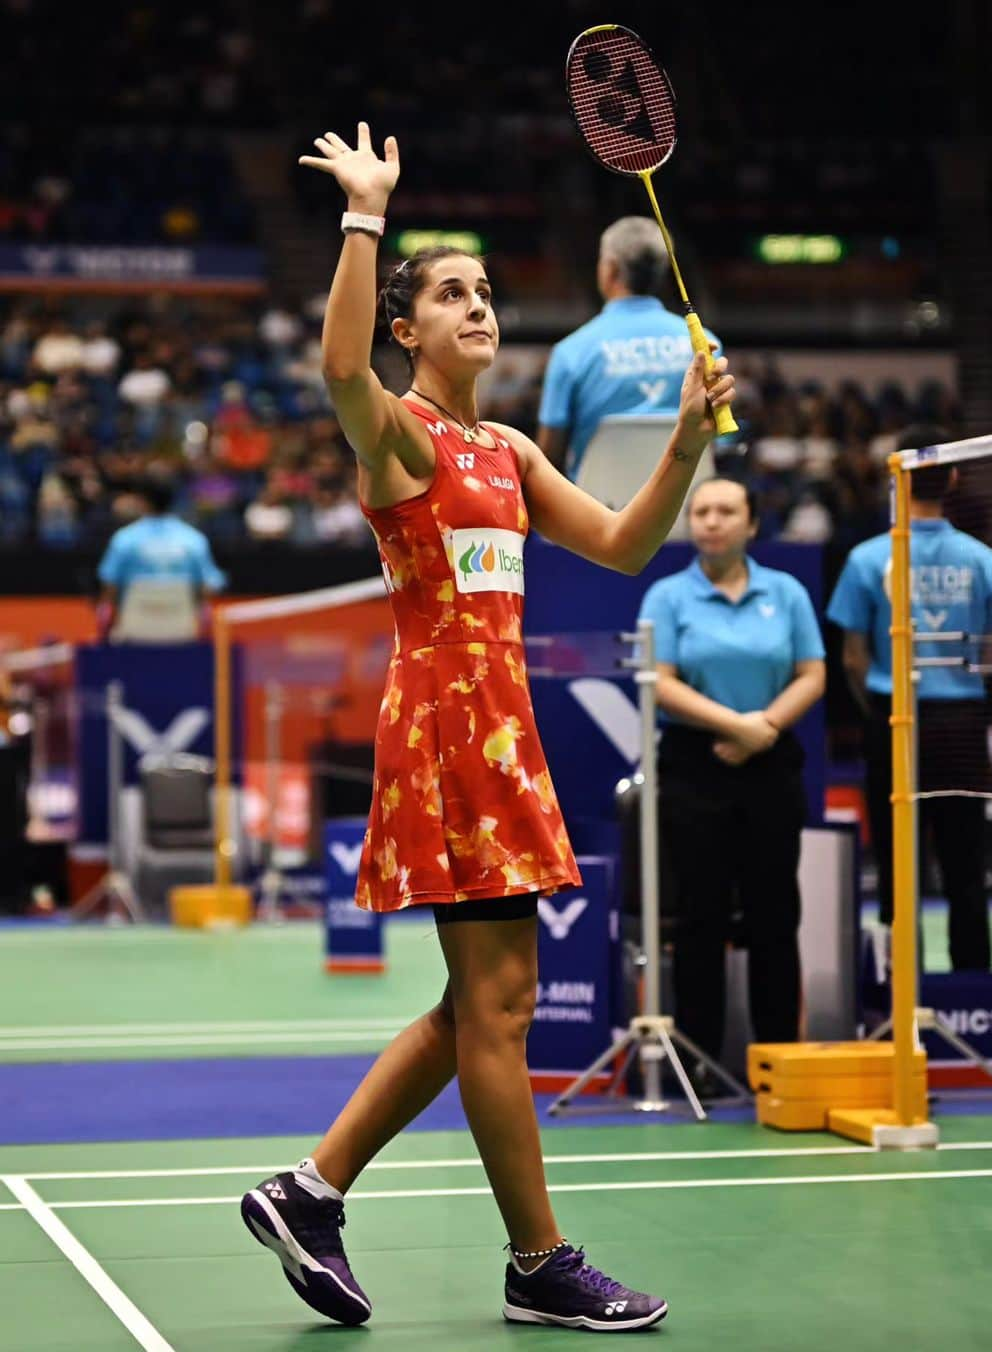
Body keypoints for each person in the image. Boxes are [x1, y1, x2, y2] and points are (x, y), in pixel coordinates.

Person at [239, 122, 735, 1333]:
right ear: (411, 328)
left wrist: (684, 438)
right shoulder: (400, 435)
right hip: (450, 727)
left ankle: (311, 1190)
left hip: (502, 730)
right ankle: (537, 1259)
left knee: (479, 1005)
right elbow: (341, 371)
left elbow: (621, 545)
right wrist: (367, 219)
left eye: (486, 292)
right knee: (501, 1006)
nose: (479, 307)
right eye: (451, 293)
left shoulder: (507, 451)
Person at [637, 477, 825, 1089]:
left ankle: (779, 1063)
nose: (712, 521)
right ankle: (701, 1063)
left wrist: (763, 727)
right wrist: (735, 726)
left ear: (750, 524)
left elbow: (812, 672)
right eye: (702, 511)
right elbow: (658, 681)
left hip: (771, 763)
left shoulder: (787, 593)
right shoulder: (668, 597)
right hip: (695, 765)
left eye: (726, 511)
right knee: (700, 917)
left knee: (775, 913)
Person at [826, 425, 992, 970]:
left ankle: (896, 993)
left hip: (893, 722)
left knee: (894, 863)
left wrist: (877, 710)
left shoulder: (867, 558)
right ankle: (975, 992)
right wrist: (967, 684)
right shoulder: (981, 558)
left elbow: (853, 657)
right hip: (962, 722)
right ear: (954, 477)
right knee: (966, 863)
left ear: (898, 477)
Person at [536, 216, 721, 481]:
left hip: (598, 512)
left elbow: (549, 458)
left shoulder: (571, 352)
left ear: (609, 269)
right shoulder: (705, 344)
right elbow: (719, 441)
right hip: (688, 505)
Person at [96, 477, 226, 641]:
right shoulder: (193, 540)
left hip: (133, 633)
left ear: (143, 502)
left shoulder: (124, 539)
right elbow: (210, 586)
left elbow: (109, 587)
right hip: (183, 633)